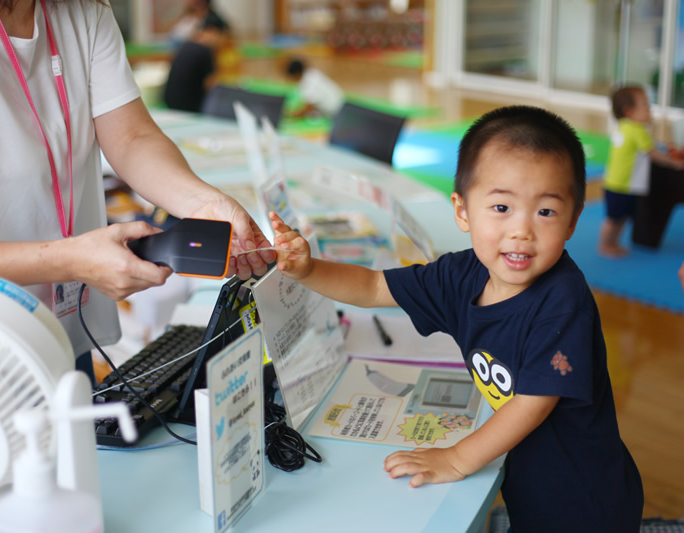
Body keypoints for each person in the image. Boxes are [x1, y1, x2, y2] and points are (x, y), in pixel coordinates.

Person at [269, 106, 643, 532]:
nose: (521, 230)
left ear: (574, 220)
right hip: (530, 476)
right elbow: (374, 287)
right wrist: (310, 270)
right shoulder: (461, 274)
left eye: (546, 212)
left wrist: (456, 458)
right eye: (501, 207)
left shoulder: (563, 301)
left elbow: (533, 403)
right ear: (462, 211)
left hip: (584, 499)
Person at [0, 0, 275, 378]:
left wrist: (204, 202)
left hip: (65, 334)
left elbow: (132, 137)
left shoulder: (84, 9)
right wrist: (68, 260)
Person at [599, 85, 684, 257]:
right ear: (629, 112)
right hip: (622, 185)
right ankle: (605, 245)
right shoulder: (638, 130)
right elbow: (653, 154)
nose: (649, 109)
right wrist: (674, 163)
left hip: (614, 183)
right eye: (646, 105)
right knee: (615, 219)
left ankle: (611, 243)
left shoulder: (624, 126)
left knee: (617, 218)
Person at [163, 12, 227, 113]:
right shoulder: (204, 51)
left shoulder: (185, 46)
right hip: (189, 108)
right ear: (214, 32)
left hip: (171, 104)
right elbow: (212, 86)